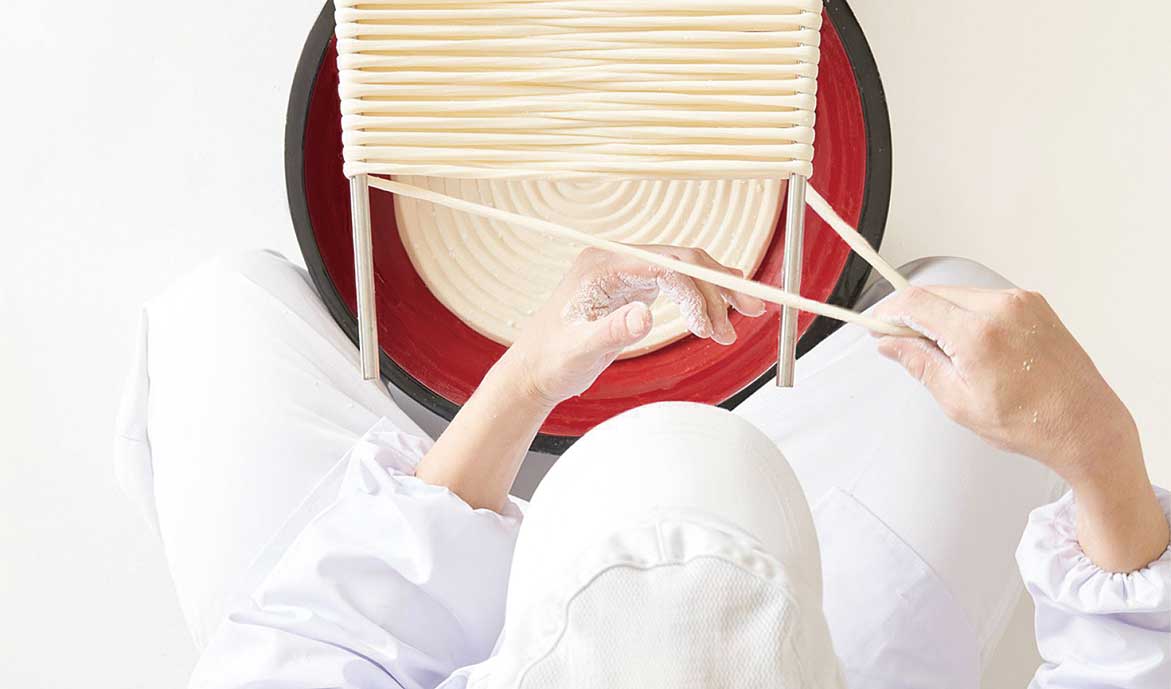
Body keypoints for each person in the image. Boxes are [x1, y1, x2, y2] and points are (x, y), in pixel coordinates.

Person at [115, 246, 1169, 688]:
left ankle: (476, 536)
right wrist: (1097, 450)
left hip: (428, 645)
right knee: (952, 296)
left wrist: (525, 378)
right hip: (844, 644)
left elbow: (327, 633)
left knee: (220, 307)